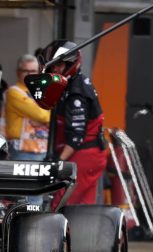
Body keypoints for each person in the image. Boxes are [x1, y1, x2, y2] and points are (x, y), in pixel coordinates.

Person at [39, 39, 107, 205]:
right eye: (53, 66)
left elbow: (76, 136)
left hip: (83, 154)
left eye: (59, 65)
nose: (55, 69)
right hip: (81, 154)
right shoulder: (68, 84)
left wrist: (57, 163)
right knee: (79, 206)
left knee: (63, 203)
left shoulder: (76, 92)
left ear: (71, 64)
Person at [1, 54, 50, 161]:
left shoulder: (41, 91)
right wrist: (45, 119)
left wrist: (45, 120)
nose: (29, 74)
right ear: (18, 72)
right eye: (25, 71)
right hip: (22, 151)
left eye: (33, 71)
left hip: (43, 149)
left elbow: (54, 114)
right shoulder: (14, 92)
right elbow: (42, 115)